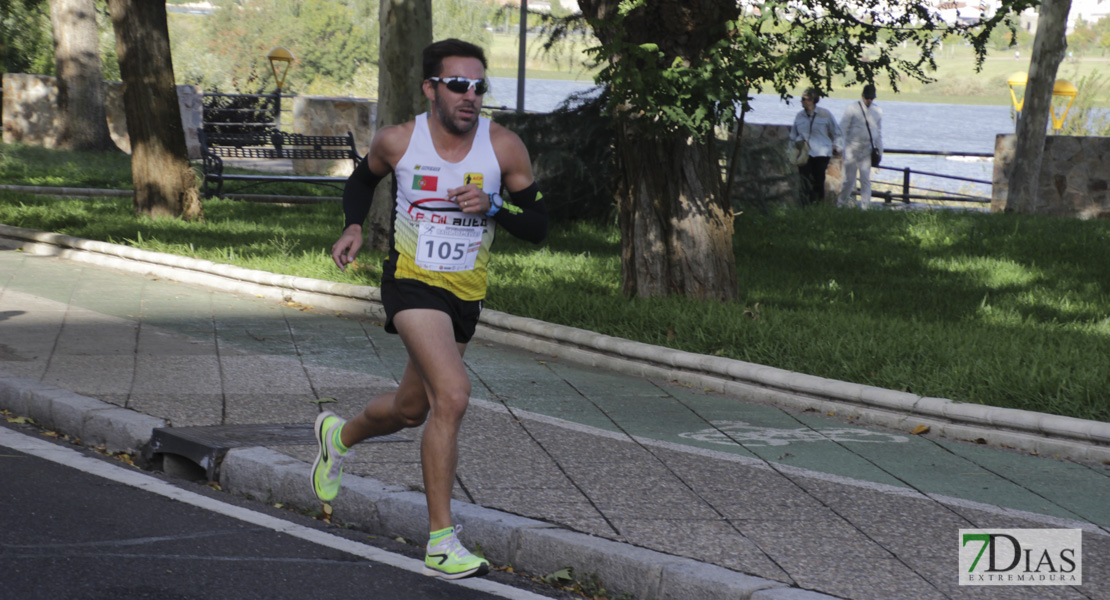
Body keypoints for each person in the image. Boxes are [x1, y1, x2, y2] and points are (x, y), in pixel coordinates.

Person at [311, 38, 548, 580]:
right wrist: (352, 224)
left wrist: (495, 206)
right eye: (459, 85)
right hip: (412, 283)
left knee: (411, 408)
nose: (471, 96)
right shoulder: (399, 140)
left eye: (479, 87)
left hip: (465, 293)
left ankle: (337, 438)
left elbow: (539, 227)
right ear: (431, 88)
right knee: (454, 395)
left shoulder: (505, 147)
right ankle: (442, 540)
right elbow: (362, 179)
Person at [789, 87, 842, 206]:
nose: (802, 101)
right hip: (804, 153)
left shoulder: (825, 114)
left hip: (821, 153)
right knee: (804, 181)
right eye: (801, 99)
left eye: (804, 99)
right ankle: (804, 207)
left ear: (812, 100)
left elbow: (837, 132)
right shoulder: (799, 116)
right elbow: (793, 136)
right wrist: (791, 152)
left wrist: (837, 146)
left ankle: (818, 207)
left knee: (819, 181)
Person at [837, 84, 883, 209]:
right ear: (862, 96)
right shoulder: (852, 109)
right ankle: (840, 204)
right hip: (851, 149)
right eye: (867, 97)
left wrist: (880, 150)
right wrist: (838, 145)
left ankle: (865, 207)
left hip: (867, 150)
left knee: (865, 180)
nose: (869, 100)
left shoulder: (878, 111)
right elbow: (842, 128)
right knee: (849, 180)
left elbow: (878, 133)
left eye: (871, 98)